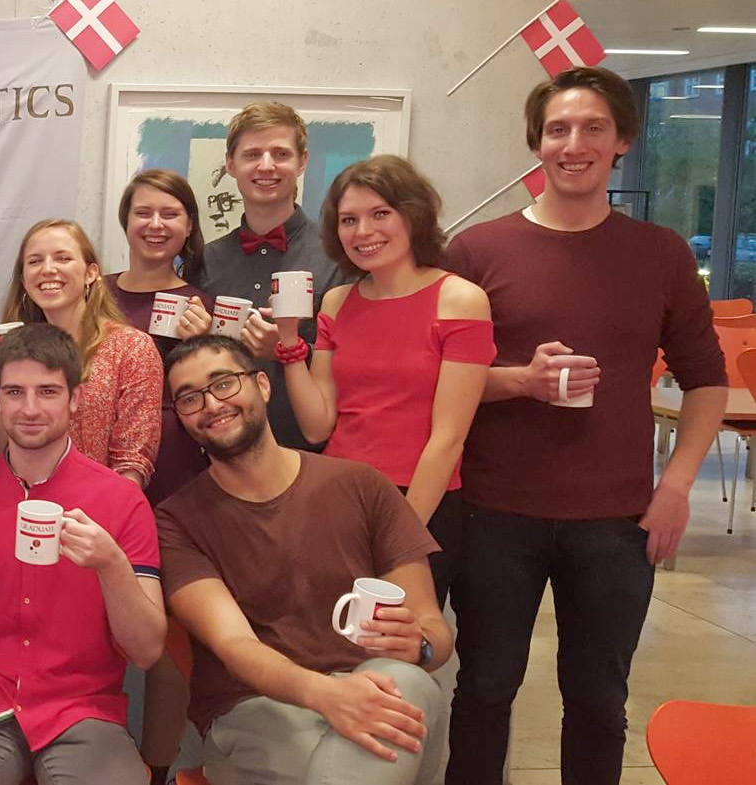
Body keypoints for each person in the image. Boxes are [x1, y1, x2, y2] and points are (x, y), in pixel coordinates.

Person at [443, 67, 727, 785]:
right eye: (558, 130)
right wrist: (521, 380)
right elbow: (439, 382)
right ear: (536, 144)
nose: (575, 144)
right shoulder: (476, 252)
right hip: (493, 511)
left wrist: (676, 487)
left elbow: (706, 381)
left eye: (593, 128)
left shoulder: (660, 253)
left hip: (616, 519)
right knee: (484, 688)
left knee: (599, 701)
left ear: (622, 140)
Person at [161, 335, 454, 785]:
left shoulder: (362, 485)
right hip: (256, 708)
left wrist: (421, 646)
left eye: (223, 383)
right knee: (383, 737)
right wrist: (328, 696)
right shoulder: (176, 521)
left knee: (407, 683)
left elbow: (434, 631)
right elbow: (236, 646)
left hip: (375, 683)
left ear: (262, 385)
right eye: (190, 398)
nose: (211, 405)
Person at [0, 323, 166, 784]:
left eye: (47, 391)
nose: (29, 409)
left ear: (75, 399)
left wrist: (110, 564)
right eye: (14, 392)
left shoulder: (122, 501)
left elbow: (147, 651)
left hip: (85, 712)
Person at [280, 155, 494, 603]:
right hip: (337, 494)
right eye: (349, 220)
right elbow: (318, 426)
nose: (363, 231)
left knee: (400, 636)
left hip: (419, 501)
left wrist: (399, 535)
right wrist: (288, 342)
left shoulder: (460, 299)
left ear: (413, 215)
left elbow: (448, 439)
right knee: (327, 631)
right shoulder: (337, 301)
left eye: (380, 214)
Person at [101, 170, 215, 783]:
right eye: (143, 212)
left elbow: (219, 392)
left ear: (189, 225)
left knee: (169, 630)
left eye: (170, 214)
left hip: (178, 480)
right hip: (100, 471)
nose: (155, 224)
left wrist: (205, 342)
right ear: (125, 221)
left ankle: (161, 765)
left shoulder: (203, 304)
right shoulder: (94, 293)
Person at [196, 101, 356, 450]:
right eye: (252, 154)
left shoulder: (340, 257)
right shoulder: (205, 260)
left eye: (280, 154)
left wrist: (291, 351)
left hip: (314, 454)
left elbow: (359, 360)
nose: (266, 166)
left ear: (302, 162)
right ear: (230, 164)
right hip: (221, 454)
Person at [0, 219, 163, 488]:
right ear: (23, 279)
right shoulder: (16, 350)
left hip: (101, 504)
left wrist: (103, 509)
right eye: (34, 261)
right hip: (28, 502)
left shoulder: (131, 348)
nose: (47, 269)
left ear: (91, 273)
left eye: (62, 258)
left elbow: (133, 462)